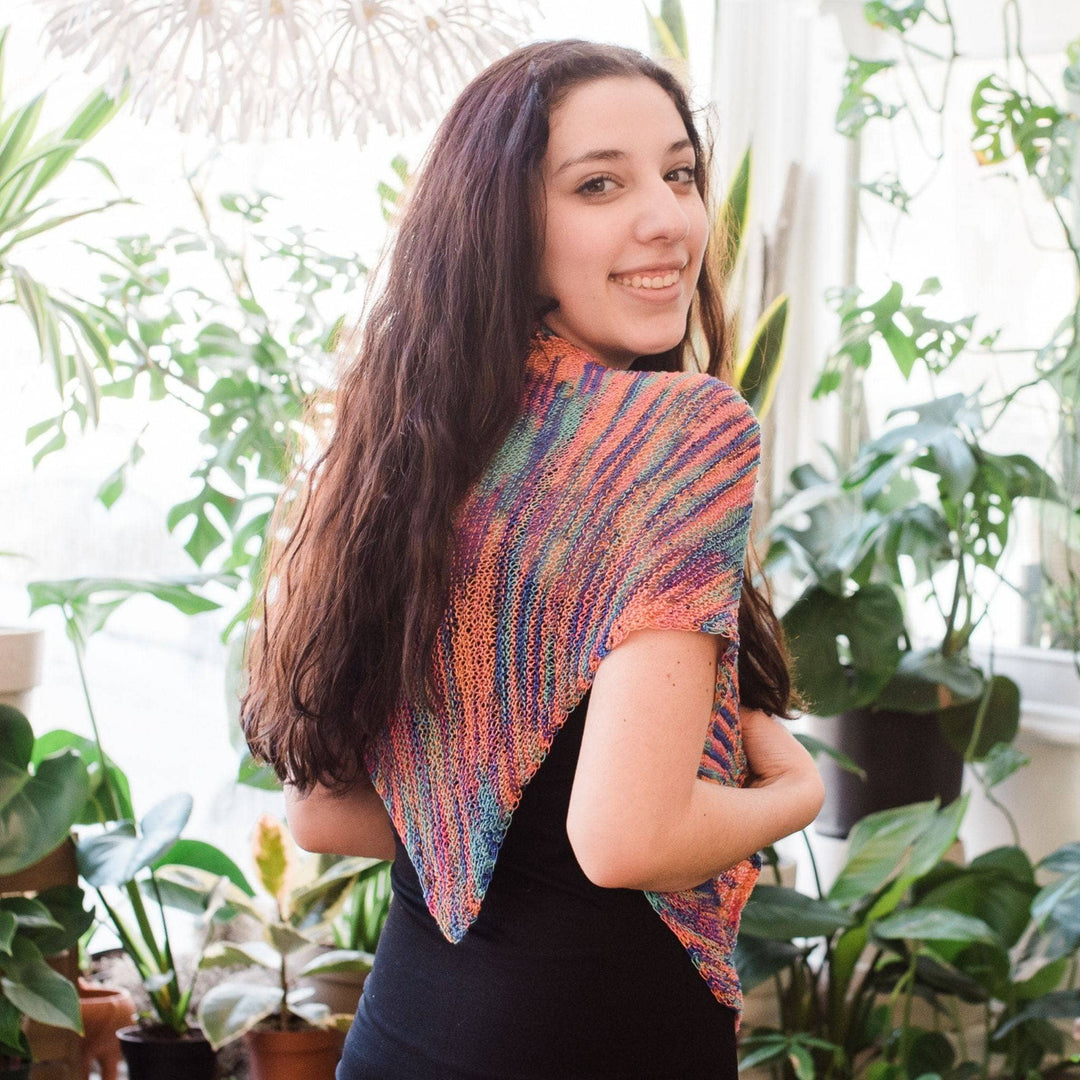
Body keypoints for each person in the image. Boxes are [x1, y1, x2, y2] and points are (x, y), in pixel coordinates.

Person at [242, 39, 824, 1080]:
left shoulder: (402, 445)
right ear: (504, 223)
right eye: (599, 183)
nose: (670, 217)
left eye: (680, 173)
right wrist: (796, 793)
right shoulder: (679, 432)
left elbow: (324, 813)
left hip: (404, 1036)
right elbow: (628, 842)